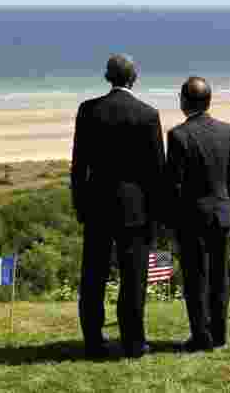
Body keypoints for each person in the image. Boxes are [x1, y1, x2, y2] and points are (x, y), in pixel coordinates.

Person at [71, 53, 166, 359]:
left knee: (93, 277)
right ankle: (134, 342)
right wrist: (156, 215)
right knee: (134, 277)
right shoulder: (147, 115)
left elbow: (78, 167)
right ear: (133, 78)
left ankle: (93, 341)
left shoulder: (88, 110)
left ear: (107, 77)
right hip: (134, 208)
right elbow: (156, 173)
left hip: (97, 205)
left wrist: (80, 206)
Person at [166, 76, 230, 352]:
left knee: (195, 279)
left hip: (192, 218)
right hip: (220, 213)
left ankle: (200, 336)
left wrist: (170, 219)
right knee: (219, 278)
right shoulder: (227, 131)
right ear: (208, 101)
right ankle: (219, 335)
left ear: (184, 102)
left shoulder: (178, 135)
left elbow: (175, 184)